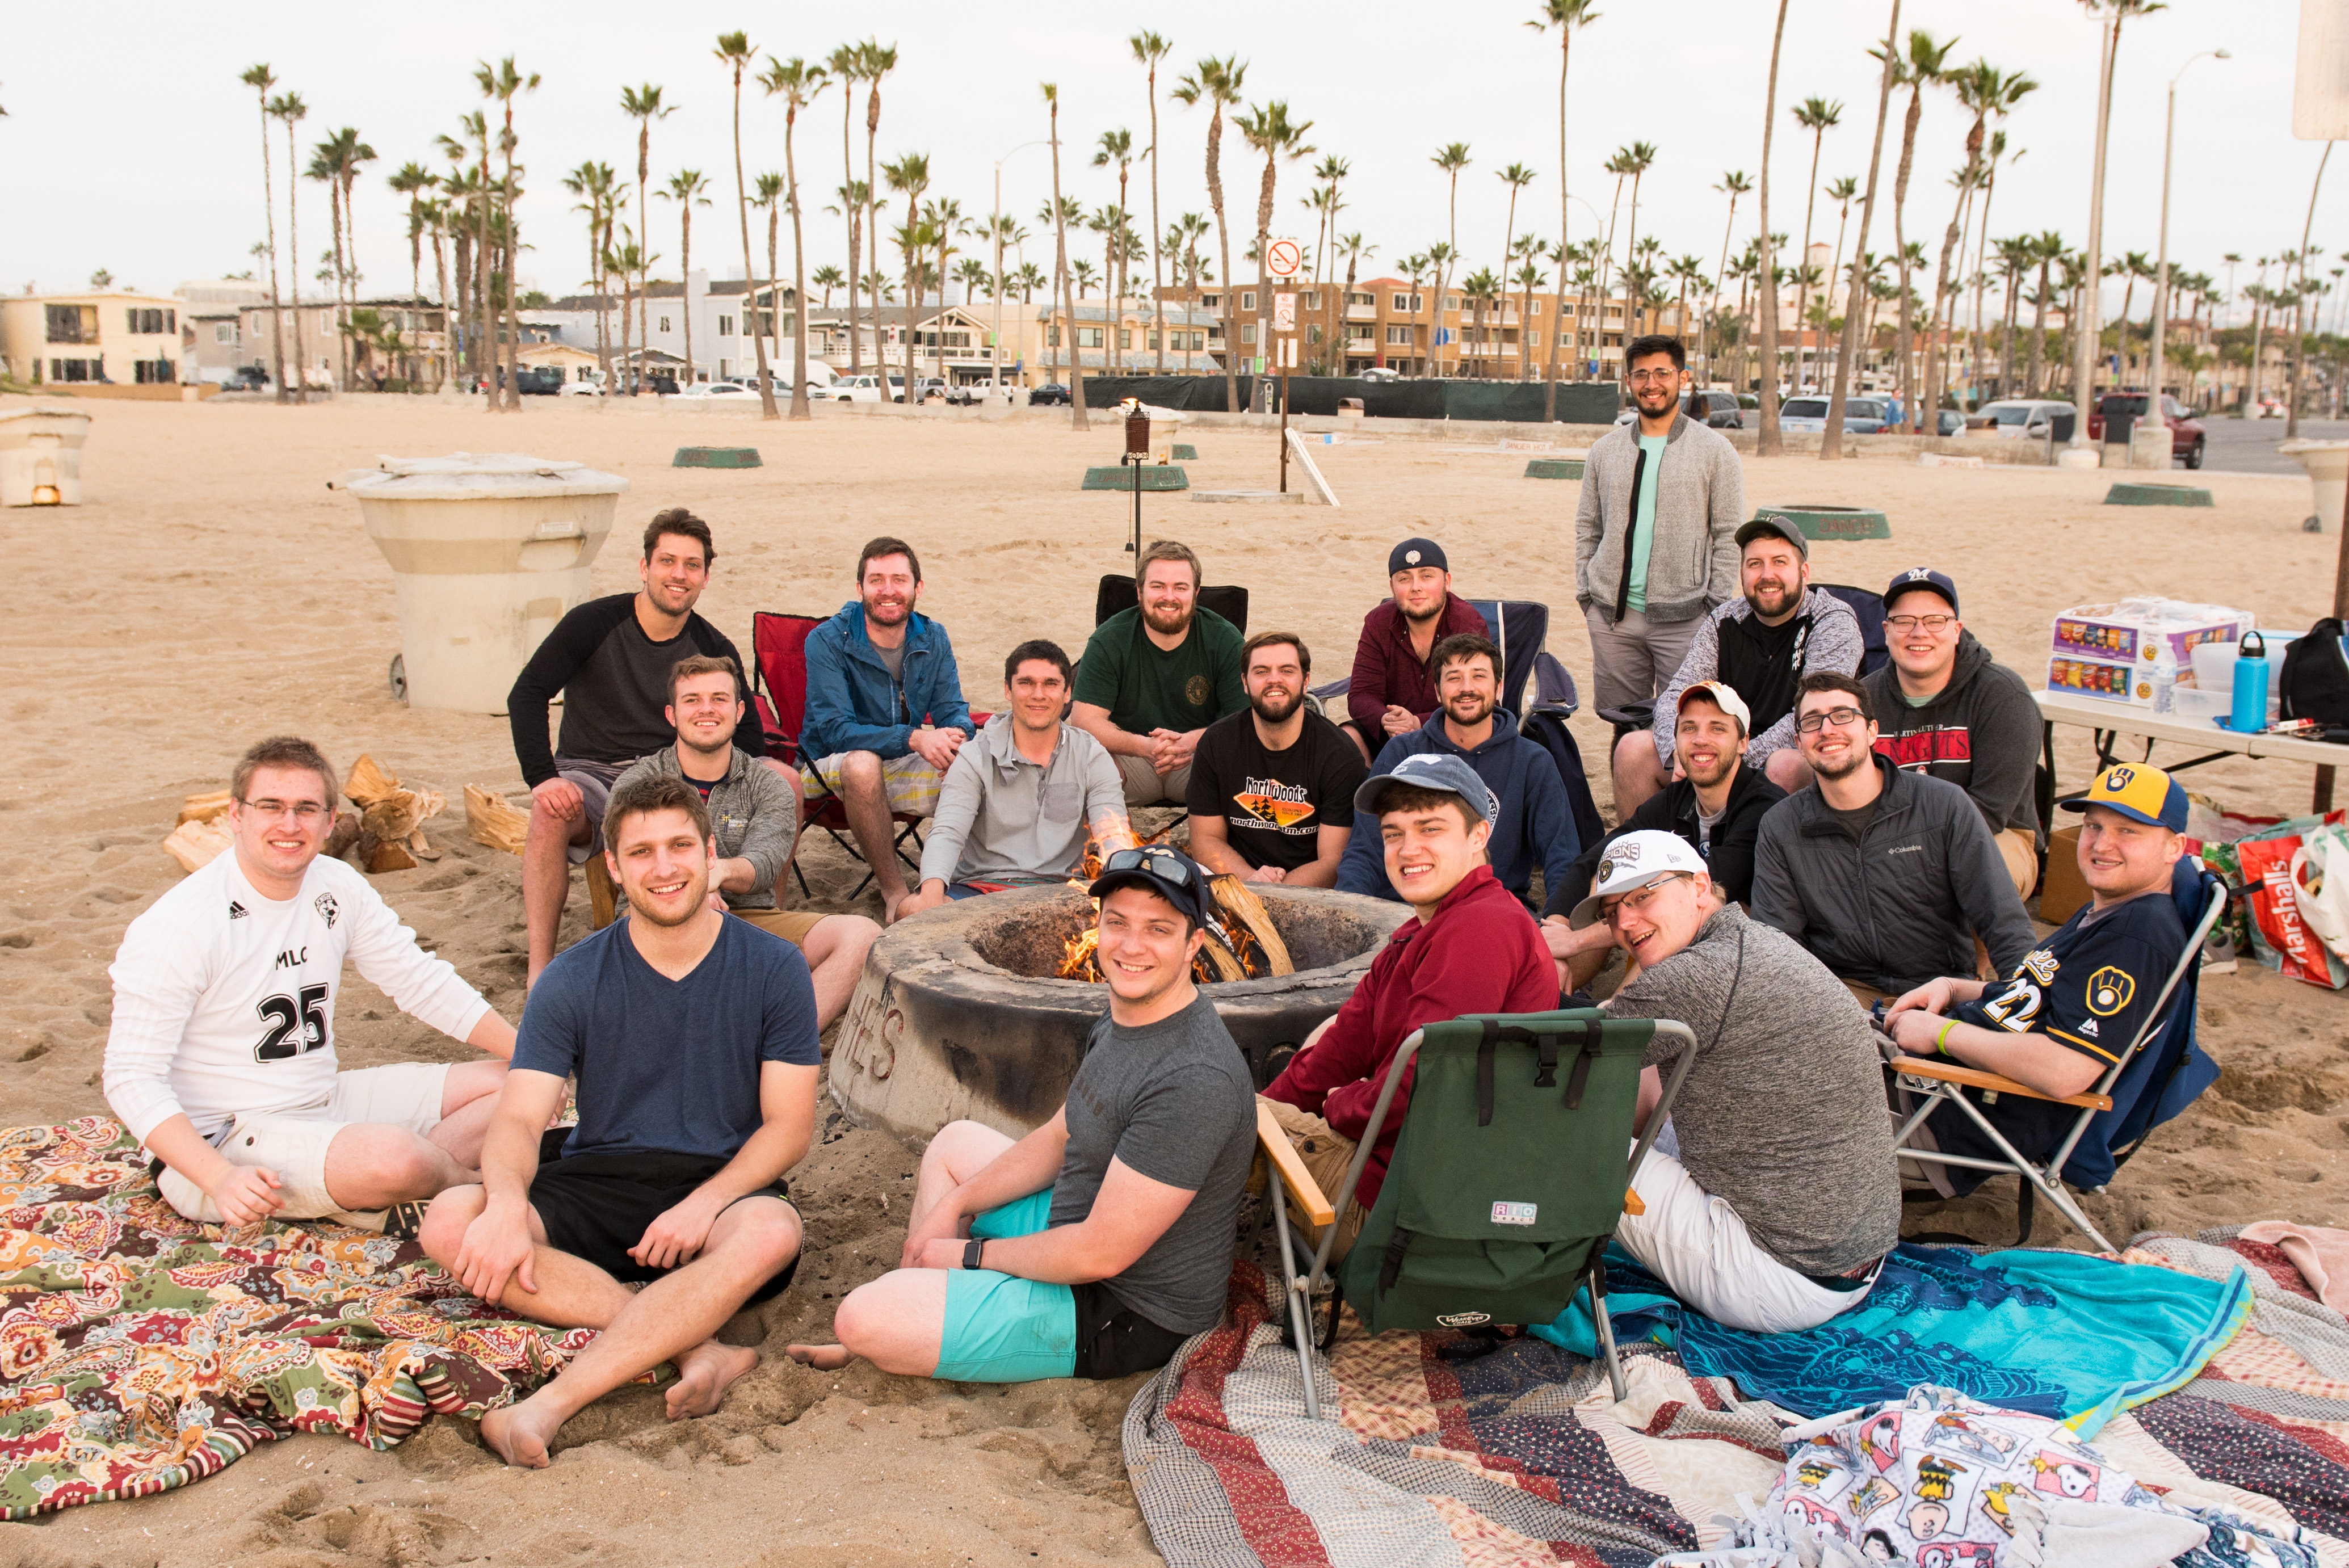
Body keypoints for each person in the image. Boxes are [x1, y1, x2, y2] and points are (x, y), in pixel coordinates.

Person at [419, 774, 819, 1467]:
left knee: (773, 1232)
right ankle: (697, 1346)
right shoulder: (571, 978)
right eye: (640, 853)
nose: (663, 869)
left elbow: (789, 1127)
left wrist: (707, 1202)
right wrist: (507, 1205)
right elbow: (519, 1119)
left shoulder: (775, 966)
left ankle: (545, 1408)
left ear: (709, 852)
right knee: (453, 1221)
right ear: (613, 866)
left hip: (720, 1186)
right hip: (600, 1175)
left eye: (679, 847)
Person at [783, 846, 1255, 1385]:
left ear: (1193, 943)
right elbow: (1059, 1135)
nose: (1130, 945)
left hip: (1122, 1308)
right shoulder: (1129, 1014)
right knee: (955, 1145)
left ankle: (918, 1310)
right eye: (1118, 922)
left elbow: (1099, 1254)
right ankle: (925, 1297)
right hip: (1080, 1221)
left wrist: (969, 1255)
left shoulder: (1193, 1078)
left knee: (860, 1318)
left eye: (1158, 929)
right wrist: (957, 1204)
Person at [105, 736, 515, 1230]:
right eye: (270, 806)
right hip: (224, 1139)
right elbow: (130, 1076)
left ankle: (396, 1182)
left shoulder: (337, 885)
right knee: (396, 1159)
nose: (289, 824)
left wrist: (531, 1054)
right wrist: (219, 1178)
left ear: (330, 820)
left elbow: (418, 979)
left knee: (526, 1085)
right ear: (236, 814)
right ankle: (460, 1183)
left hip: (324, 1100)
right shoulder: (181, 924)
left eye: (306, 808)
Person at [1573, 831, 1901, 1334]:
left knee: (1566, 1143)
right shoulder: (1757, 942)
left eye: (1642, 897)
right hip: (1854, 1259)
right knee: (1645, 1103)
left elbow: (1558, 1064)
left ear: (1700, 887)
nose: (1625, 923)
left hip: (1781, 1278)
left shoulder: (1693, 975)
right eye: (1612, 912)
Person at [1260, 754, 1555, 1260]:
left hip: (1409, 1215)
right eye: (1393, 833)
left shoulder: (1479, 929)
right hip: (1409, 1181)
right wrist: (1273, 1104)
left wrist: (1335, 1105)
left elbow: (1423, 1085)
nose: (1407, 848)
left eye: (1430, 828)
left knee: (1212, 1118)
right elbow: (1341, 1047)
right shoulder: (1421, 932)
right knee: (1255, 1098)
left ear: (1479, 835)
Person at [1884, 763, 2191, 1196]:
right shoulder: (2112, 909)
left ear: (2174, 847)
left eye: (2128, 831)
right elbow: (2035, 998)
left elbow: (2065, 1069)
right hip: (1931, 1082)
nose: (2102, 844)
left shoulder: (2137, 934)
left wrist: (1942, 1033)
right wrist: (1951, 987)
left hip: (1940, 1115)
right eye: (2093, 826)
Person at [510, 510, 766, 987]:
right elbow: (527, 693)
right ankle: (539, 967)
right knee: (548, 811)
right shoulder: (592, 623)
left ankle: (755, 932)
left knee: (772, 785)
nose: (679, 574)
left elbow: (749, 733)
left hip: (670, 778)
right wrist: (542, 776)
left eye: (692, 565)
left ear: (705, 577)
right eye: (667, 561)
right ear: (645, 567)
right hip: (590, 769)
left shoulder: (711, 646)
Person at [614, 655, 880, 1030]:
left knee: (863, 936)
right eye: (692, 700)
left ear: (739, 712)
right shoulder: (638, 783)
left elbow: (766, 863)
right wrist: (696, 891)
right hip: (655, 917)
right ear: (672, 715)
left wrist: (718, 873)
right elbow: (633, 867)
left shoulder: (767, 783)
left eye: (719, 699)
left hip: (749, 919)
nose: (706, 709)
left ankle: (783, 1038)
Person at [1753, 672, 2034, 1007]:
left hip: (1937, 990)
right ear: (1799, 744)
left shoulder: (1943, 805)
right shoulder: (1781, 826)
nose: (1827, 729)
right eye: (1812, 722)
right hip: (1842, 994)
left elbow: (2002, 920)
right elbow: (1779, 945)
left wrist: (2030, 1001)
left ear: (1872, 731)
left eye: (1842, 715)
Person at [1546, 681, 1787, 995]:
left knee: (1688, 911)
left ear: (1743, 742)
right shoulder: (1677, 799)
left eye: (1717, 729)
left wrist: (1576, 941)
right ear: (1676, 741)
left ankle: (1619, 1010)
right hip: (1680, 938)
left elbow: (1696, 904)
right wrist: (1557, 930)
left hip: (1747, 959)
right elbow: (1593, 859)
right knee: (1610, 872)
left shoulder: (1765, 807)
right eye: (1689, 728)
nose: (1700, 739)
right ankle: (1553, 997)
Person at [1617, 513, 1860, 813]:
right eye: (1755, 564)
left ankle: (1762, 845)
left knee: (1784, 765)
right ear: (1742, 572)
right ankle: (1646, 843)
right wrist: (1679, 751)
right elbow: (1677, 694)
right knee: (1633, 749)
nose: (1767, 575)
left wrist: (1733, 766)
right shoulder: (1724, 620)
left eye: (1780, 562)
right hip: (1725, 747)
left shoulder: (1832, 622)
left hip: (1793, 752)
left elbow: (1812, 717)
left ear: (1804, 572)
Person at [1336, 633, 1581, 913]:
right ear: (1438, 691)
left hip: (1493, 911)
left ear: (1499, 687)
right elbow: (1364, 850)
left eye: (1479, 676)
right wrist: (1349, 912)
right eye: (1454, 678)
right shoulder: (1402, 752)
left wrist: (1560, 918)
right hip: (1404, 910)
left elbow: (1562, 854)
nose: (1467, 688)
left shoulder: (1531, 761)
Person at [801, 537, 973, 924]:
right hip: (828, 765)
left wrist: (956, 741)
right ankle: (894, 892)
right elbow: (836, 731)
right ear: (860, 588)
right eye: (876, 580)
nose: (888, 590)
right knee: (863, 764)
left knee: (976, 766)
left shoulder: (932, 637)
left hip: (901, 759)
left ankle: (960, 886)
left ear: (918, 588)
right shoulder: (828, 640)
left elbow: (952, 710)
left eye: (899, 579)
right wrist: (914, 738)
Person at [897, 640, 1132, 918]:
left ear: (1068, 692)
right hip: (981, 888)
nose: (1038, 695)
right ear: (1008, 689)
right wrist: (931, 896)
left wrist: (1123, 885)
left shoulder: (1091, 754)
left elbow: (1112, 831)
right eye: (1026, 683)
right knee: (910, 910)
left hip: (1063, 891)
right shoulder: (975, 756)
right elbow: (948, 831)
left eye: (1051, 684)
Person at [1574, 335, 1745, 714]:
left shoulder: (1716, 451)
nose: (1651, 384)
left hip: (1687, 618)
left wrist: (1712, 606)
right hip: (1612, 617)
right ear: (1628, 381)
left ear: (1682, 378)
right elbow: (1588, 526)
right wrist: (1587, 595)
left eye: (1662, 373)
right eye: (1641, 375)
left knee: (1684, 722)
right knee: (1624, 722)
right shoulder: (1605, 450)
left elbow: (1729, 534)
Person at [1864, 568, 2043, 899]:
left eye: (1935, 621)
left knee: (1971, 875)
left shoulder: (2003, 696)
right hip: (1883, 839)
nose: (1919, 633)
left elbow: (1990, 811)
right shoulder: (1863, 699)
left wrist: (1907, 853)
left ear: (1957, 630)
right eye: (1904, 621)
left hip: (1995, 836)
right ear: (1886, 631)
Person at [1071, 540, 1247, 806]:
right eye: (1158, 586)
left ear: (1196, 593)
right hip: (1128, 760)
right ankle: (1110, 835)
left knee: (1252, 764)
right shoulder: (1109, 639)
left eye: (1180, 588)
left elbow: (1243, 720)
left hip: (1200, 760)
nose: (1169, 597)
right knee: (1075, 766)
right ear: (1139, 592)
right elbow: (1084, 720)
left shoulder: (1224, 639)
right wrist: (1144, 747)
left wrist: (1190, 742)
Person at [1187, 633, 1367, 888]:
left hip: (1309, 891)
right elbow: (1205, 840)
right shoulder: (1217, 743)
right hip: (1239, 880)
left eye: (1287, 671)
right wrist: (1252, 882)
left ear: (1305, 682)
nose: (1274, 680)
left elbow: (1333, 862)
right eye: (1261, 671)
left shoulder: (1340, 755)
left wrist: (1276, 894)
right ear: (1245, 683)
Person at [1342, 537, 1488, 763]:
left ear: (1447, 582)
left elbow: (1474, 699)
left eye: (1426, 576)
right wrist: (1387, 719)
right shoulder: (1378, 622)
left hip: (1451, 737)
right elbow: (1361, 695)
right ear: (1392, 588)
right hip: (1391, 735)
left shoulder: (1466, 624)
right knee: (1346, 738)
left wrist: (1418, 723)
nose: (1416, 587)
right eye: (1404, 579)